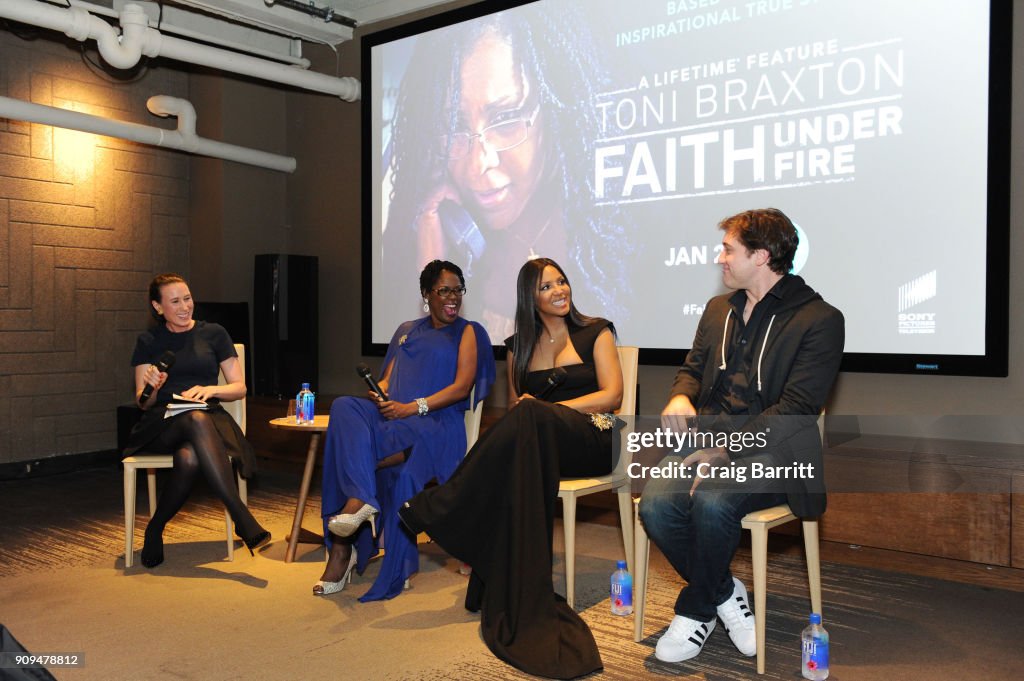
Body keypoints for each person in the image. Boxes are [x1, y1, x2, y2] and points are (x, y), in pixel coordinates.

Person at [399, 257, 623, 679]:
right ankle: (464, 520)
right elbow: (521, 406)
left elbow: (612, 396)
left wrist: (546, 409)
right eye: (546, 287)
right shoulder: (518, 345)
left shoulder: (597, 330)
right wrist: (535, 412)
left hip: (595, 438)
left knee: (528, 417)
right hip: (542, 444)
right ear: (529, 297)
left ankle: (448, 500)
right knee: (521, 424)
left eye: (562, 281)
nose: (559, 290)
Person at [637, 208, 845, 664]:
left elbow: (795, 410)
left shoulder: (820, 319)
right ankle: (724, 593)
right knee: (654, 505)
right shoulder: (718, 310)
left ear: (762, 256)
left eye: (729, 249)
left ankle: (695, 611)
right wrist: (680, 397)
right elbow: (691, 369)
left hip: (777, 451)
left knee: (712, 499)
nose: (720, 259)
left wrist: (725, 449)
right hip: (705, 442)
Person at [381, 5, 632, 341]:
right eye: (454, 126)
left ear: (556, 110)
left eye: (505, 118)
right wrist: (431, 260)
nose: (478, 163)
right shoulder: (444, 230)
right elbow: (427, 363)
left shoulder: (611, 230)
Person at [315, 260, 495, 601]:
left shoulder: (469, 331)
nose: (452, 297)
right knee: (343, 407)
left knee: (368, 454)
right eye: (444, 290)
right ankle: (362, 501)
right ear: (427, 294)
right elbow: (389, 379)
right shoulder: (406, 329)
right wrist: (379, 392)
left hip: (438, 424)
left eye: (458, 289)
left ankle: (345, 546)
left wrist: (414, 407)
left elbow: (462, 387)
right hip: (397, 418)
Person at [125, 273, 270, 568]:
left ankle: (155, 528)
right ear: (158, 307)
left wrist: (212, 389)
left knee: (189, 458)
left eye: (187, 298)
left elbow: (239, 387)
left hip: (209, 418)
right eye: (175, 301)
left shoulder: (214, 333)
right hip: (163, 422)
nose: (184, 306)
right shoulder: (149, 341)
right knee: (194, 419)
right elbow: (142, 403)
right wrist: (152, 385)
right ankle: (240, 515)